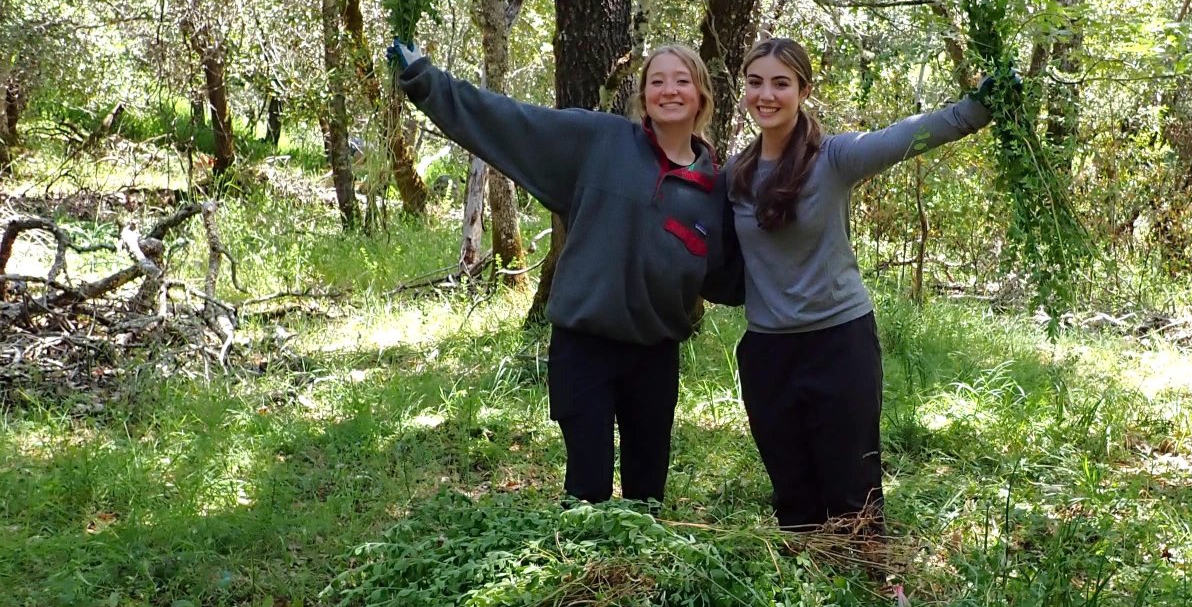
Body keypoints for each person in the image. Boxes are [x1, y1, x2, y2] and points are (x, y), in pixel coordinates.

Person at [386, 39, 733, 507]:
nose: (668, 90)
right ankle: (584, 578)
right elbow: (510, 122)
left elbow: (738, 272)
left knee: (647, 498)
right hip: (584, 347)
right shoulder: (601, 142)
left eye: (681, 81)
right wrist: (426, 82)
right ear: (643, 97)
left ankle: (637, 580)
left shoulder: (717, 190)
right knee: (585, 493)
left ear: (702, 96)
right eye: (656, 81)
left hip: (656, 357)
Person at [724, 36, 996, 533]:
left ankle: (871, 598)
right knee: (793, 495)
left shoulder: (833, 158)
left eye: (780, 83)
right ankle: (810, 603)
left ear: (803, 91)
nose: (766, 94)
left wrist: (977, 109)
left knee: (854, 494)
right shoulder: (735, 174)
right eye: (755, 82)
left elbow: (909, 135)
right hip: (767, 353)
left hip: (839, 343)